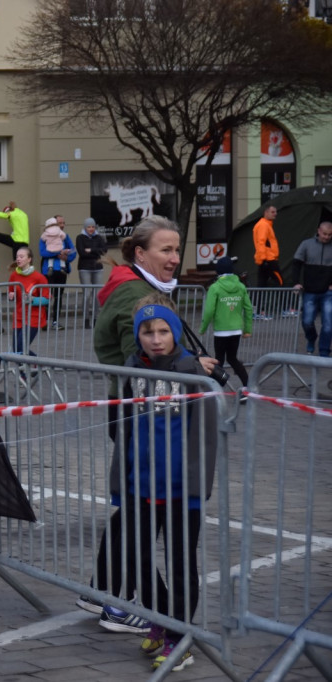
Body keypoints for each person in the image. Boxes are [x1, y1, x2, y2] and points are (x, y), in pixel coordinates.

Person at [86, 215, 218, 632]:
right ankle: (129, 604)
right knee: (137, 514)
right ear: (140, 253)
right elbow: (143, 366)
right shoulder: (135, 294)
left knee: (135, 512)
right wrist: (188, 366)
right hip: (148, 416)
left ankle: (106, 591)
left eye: (177, 249)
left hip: (148, 411)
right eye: (166, 249)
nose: (175, 258)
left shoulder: (143, 288)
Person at [112, 292, 217, 672]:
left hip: (178, 489)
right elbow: (123, 431)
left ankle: (179, 637)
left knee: (180, 563)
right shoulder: (131, 369)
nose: (155, 339)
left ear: (174, 332)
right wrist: (119, 478)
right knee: (137, 560)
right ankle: (162, 619)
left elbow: (204, 438)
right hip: (140, 484)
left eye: (162, 331)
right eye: (146, 331)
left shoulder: (192, 374)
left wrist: (195, 485)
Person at [199, 257, 253, 388]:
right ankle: (248, 386)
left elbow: (209, 311)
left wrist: (203, 328)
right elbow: (248, 308)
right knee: (233, 359)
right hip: (236, 330)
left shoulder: (215, 287)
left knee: (219, 360)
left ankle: (215, 389)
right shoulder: (241, 286)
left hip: (221, 331)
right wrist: (247, 330)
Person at [289, 221, 332, 357]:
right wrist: (296, 282)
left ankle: (324, 352)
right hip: (310, 290)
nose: (326, 237)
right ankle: (311, 338)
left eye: (330, 235)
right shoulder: (306, 244)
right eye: (324, 234)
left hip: (328, 292)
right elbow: (296, 264)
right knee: (307, 321)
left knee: (328, 324)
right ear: (318, 231)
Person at [5, 245, 48, 355]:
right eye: (17, 257)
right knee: (16, 350)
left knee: (20, 348)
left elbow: (47, 299)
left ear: (29, 259)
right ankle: (35, 366)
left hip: (33, 317)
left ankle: (32, 368)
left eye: (21, 256)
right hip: (19, 317)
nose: (18, 259)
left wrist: (33, 299)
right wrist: (11, 295)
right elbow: (11, 293)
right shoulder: (14, 276)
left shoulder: (39, 277)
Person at [39, 217, 76, 330]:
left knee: (58, 297)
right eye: (59, 223)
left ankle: (55, 321)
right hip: (48, 271)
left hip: (61, 270)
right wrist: (58, 253)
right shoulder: (44, 236)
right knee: (46, 296)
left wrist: (67, 257)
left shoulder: (65, 236)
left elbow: (73, 251)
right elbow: (43, 252)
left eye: (63, 223)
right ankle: (44, 321)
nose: (62, 225)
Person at [76, 217, 109, 328]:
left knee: (97, 295)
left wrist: (91, 249)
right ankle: (86, 319)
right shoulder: (80, 238)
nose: (91, 229)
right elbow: (82, 253)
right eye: (89, 227)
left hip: (98, 267)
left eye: (93, 227)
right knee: (87, 294)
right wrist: (96, 251)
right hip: (84, 268)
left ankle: (96, 318)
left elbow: (104, 250)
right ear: (85, 227)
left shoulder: (99, 237)